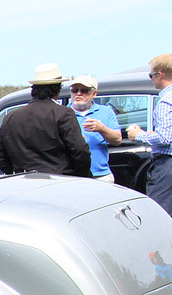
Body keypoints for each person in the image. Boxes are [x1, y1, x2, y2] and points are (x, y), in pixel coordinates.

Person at [0, 63, 91, 177]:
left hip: (24, 182)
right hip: (59, 181)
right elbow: (80, 150)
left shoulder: (11, 117)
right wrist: (76, 175)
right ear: (57, 89)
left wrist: (16, 174)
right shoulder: (63, 114)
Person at [126, 53, 172, 215]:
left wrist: (138, 135)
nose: (151, 79)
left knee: (159, 213)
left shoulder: (166, 101)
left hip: (167, 165)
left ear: (160, 75)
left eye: (151, 75)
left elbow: (165, 138)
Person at [65, 75, 123, 182]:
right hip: (70, 176)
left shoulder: (106, 112)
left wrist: (101, 128)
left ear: (94, 94)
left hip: (100, 175)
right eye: (74, 90)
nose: (78, 94)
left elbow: (117, 140)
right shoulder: (63, 113)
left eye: (84, 90)